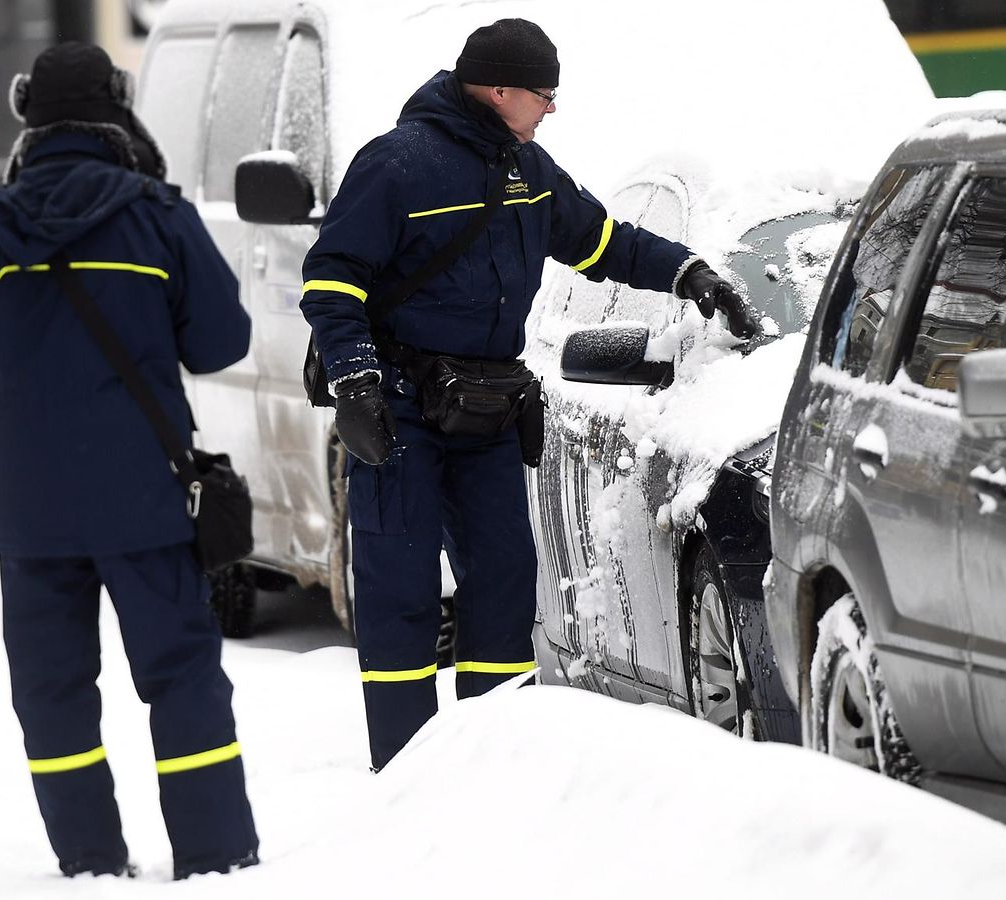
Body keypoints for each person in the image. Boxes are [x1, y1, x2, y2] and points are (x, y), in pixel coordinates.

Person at [300, 18, 760, 771]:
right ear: (500, 88)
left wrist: (692, 276)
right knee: (401, 586)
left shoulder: (527, 169)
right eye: (544, 95)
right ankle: (406, 771)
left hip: (484, 406)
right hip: (398, 407)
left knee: (506, 580)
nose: (551, 109)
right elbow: (331, 280)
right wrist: (355, 381)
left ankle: (492, 765)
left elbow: (605, 243)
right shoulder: (395, 164)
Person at [0, 41, 259, 880]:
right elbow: (224, 341)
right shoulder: (156, 215)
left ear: (27, 114)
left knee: (52, 694)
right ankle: (216, 858)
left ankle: (90, 865)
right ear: (117, 108)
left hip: (30, 514)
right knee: (180, 675)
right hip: (145, 500)